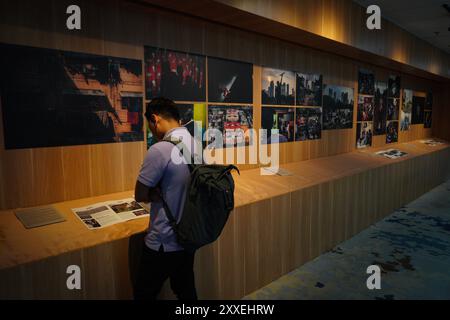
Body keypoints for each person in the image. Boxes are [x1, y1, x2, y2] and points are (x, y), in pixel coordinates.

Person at [133, 97, 198, 300]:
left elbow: (139, 194)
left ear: (155, 118)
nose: (152, 132)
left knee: (144, 294)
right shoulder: (196, 144)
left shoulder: (160, 149)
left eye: (150, 127)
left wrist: (153, 193)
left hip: (162, 241)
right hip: (188, 237)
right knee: (186, 292)